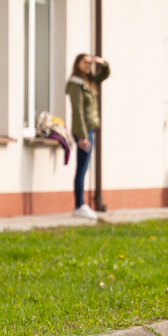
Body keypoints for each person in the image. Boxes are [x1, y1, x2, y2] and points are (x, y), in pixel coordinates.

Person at [66, 54, 110, 220]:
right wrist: (83, 136)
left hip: (90, 130)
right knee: (81, 169)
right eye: (85, 62)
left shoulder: (89, 82)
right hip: (83, 131)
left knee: (83, 169)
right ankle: (79, 205)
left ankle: (80, 205)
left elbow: (104, 75)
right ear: (77, 64)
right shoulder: (75, 84)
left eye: (89, 63)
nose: (87, 66)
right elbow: (77, 111)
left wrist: (102, 63)